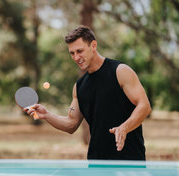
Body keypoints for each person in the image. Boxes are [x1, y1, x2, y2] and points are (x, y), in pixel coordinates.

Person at [25, 26, 151, 160]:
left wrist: (124, 128)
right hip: (96, 163)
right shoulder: (79, 87)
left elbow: (144, 106)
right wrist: (47, 115)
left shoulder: (120, 71)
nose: (76, 57)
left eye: (79, 51)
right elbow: (71, 124)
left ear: (93, 45)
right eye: (72, 53)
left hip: (130, 160)